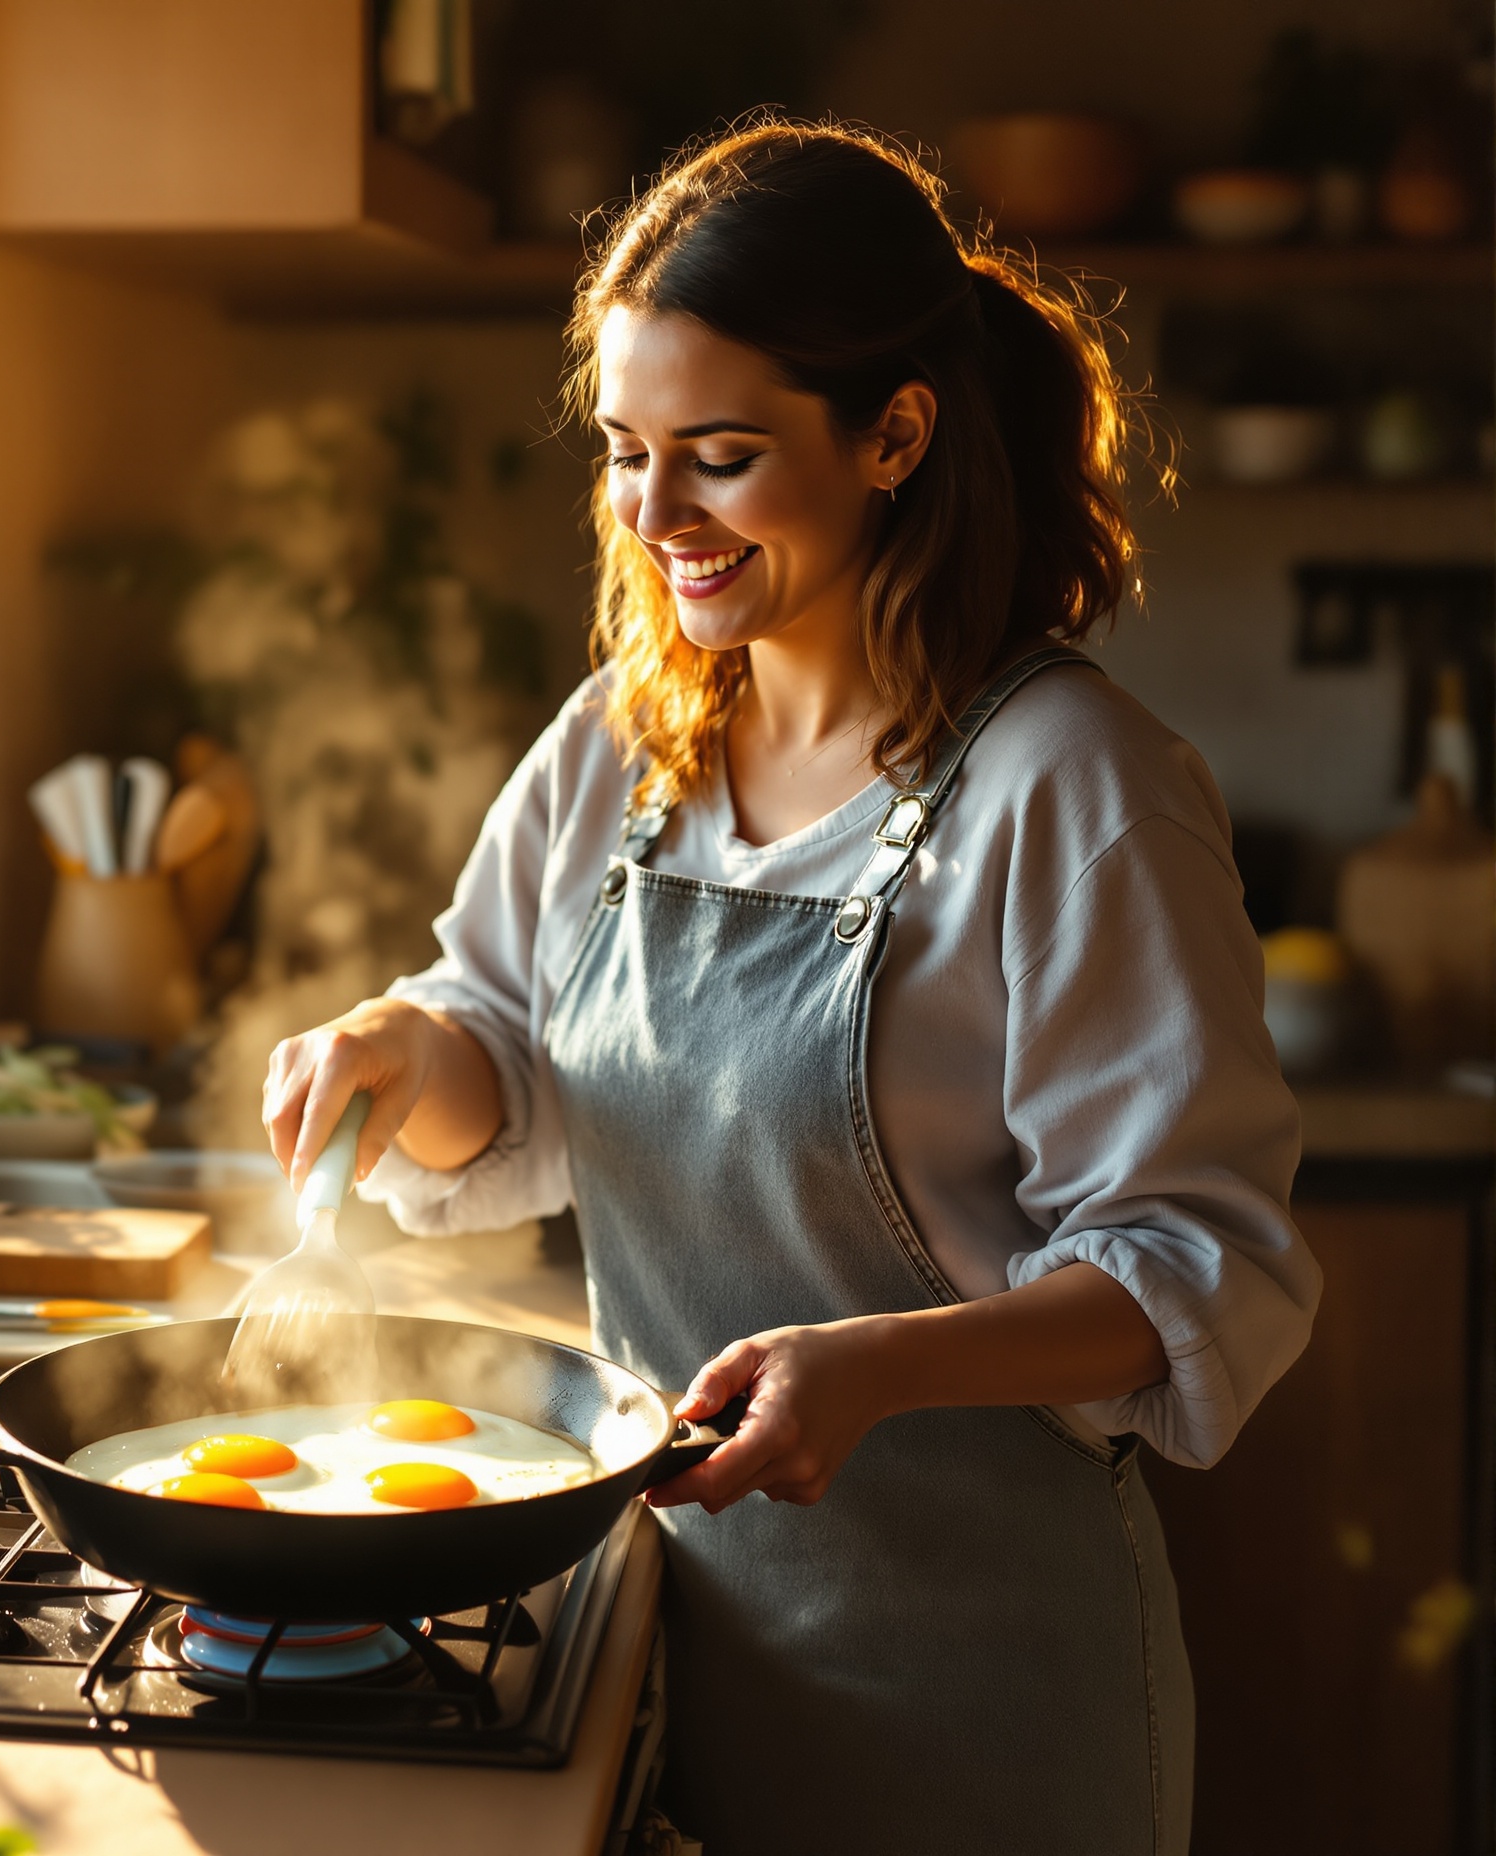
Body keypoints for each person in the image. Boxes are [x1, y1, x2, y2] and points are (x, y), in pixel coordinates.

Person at [260, 121, 1320, 1855]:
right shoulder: (629, 739)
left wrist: (883, 1368)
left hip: (974, 1700)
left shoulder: (1075, 787)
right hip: (653, 1641)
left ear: (896, 431)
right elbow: (515, 1061)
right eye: (623, 452)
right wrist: (405, 1044)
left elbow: (1202, 1267)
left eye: (720, 456)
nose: (656, 515)